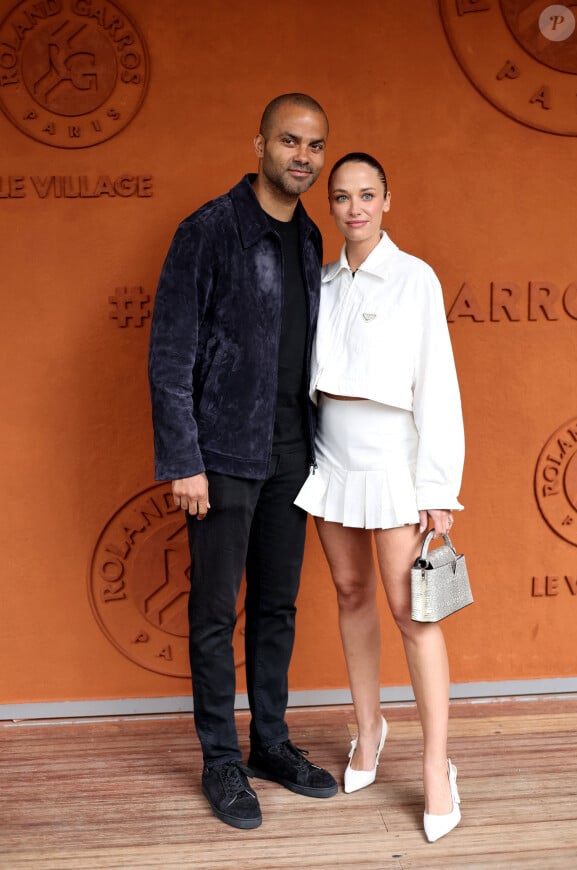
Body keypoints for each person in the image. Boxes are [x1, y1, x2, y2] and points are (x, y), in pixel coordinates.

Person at [148, 94, 338, 830]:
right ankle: (221, 761)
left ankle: (271, 745)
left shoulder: (311, 236)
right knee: (211, 612)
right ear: (259, 141)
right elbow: (170, 354)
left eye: (315, 145)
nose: (302, 156)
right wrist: (183, 461)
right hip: (221, 455)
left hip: (293, 455)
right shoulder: (210, 230)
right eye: (290, 140)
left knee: (276, 607)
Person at [295, 152, 465, 843]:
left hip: (395, 460)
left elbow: (439, 385)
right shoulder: (323, 280)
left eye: (367, 195)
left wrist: (438, 487)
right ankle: (369, 727)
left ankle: (434, 765)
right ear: (329, 206)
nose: (354, 208)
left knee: (412, 611)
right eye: (341, 197)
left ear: (388, 200)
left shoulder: (415, 277)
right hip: (331, 455)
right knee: (350, 593)